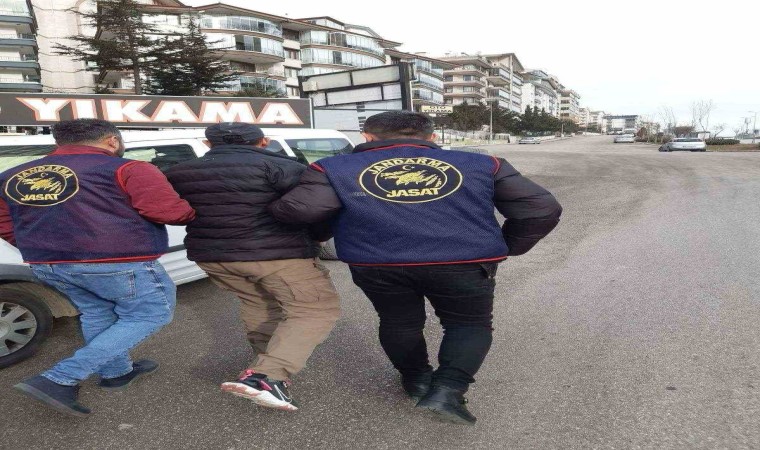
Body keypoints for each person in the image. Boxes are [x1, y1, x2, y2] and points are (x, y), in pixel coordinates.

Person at [270, 111, 562, 425]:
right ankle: (447, 390)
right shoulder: (483, 164)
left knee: (399, 322)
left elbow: (297, 211)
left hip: (377, 263)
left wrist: (323, 226)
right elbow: (542, 208)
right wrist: (508, 245)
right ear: (432, 137)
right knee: (468, 324)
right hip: (463, 262)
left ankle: (416, 380)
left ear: (367, 137)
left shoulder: (332, 168)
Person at [0, 119, 195, 417]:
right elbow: (168, 212)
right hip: (115, 262)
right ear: (112, 141)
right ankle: (59, 378)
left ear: (59, 142)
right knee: (152, 313)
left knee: (97, 313)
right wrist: (192, 212)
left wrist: (40, 246)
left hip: (48, 264)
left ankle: (117, 372)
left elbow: (5, 223)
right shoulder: (128, 168)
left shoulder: (10, 176)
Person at [165, 122, 340, 412]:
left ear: (208, 144)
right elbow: (314, 207)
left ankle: (264, 365)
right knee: (315, 308)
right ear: (263, 141)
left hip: (212, 256)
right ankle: (267, 377)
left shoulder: (177, 171)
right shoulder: (283, 166)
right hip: (277, 255)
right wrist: (318, 236)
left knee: (260, 304)